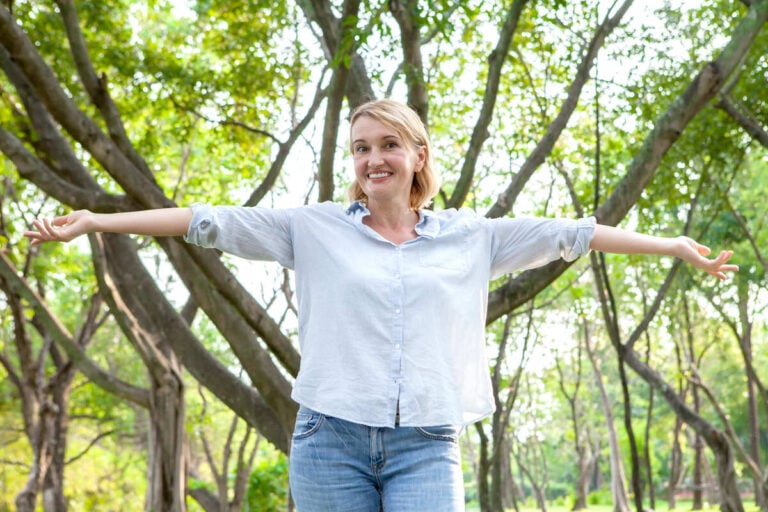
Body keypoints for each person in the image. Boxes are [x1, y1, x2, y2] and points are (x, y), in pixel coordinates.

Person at [25, 98, 737, 511]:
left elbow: (573, 234)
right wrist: (98, 221)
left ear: (418, 155)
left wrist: (673, 245)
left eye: (389, 144)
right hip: (328, 440)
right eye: (361, 148)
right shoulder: (312, 229)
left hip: (425, 442)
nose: (373, 160)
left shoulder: (472, 237)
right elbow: (205, 221)